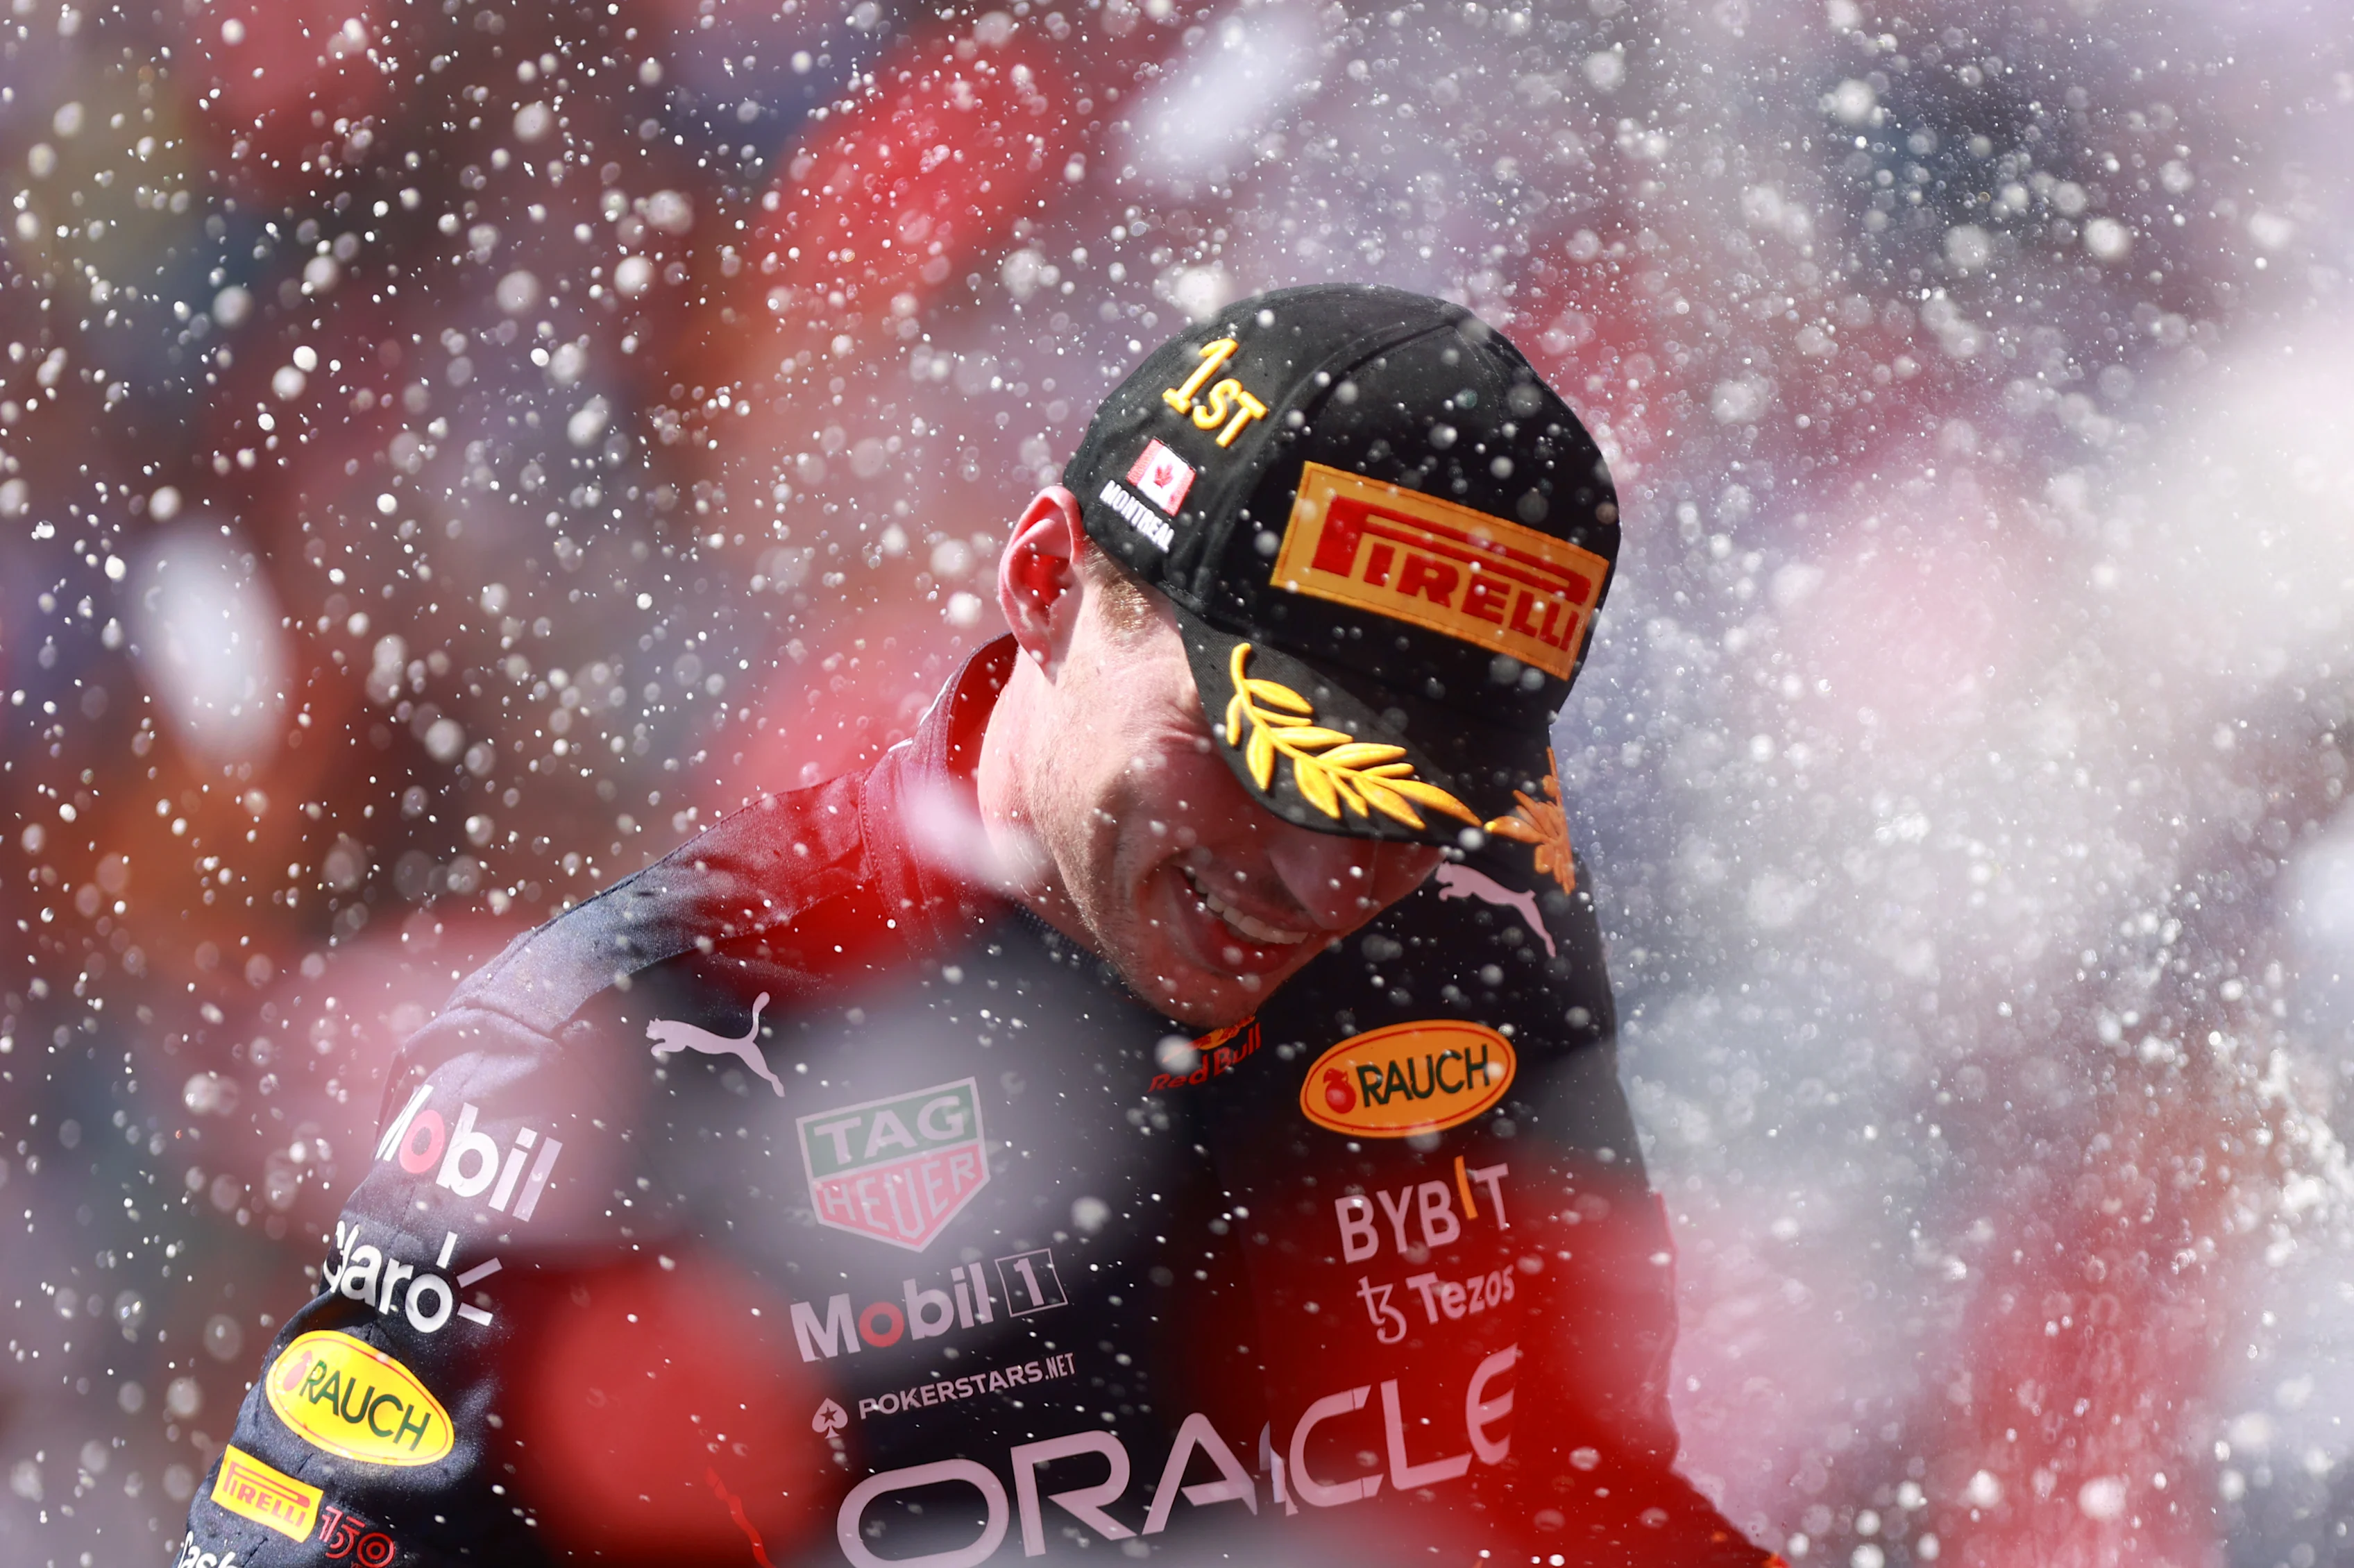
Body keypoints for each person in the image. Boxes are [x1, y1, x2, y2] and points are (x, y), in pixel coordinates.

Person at [178, 285, 1775, 1568]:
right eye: (1263, 758)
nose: (1315, 872)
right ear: (1044, 579)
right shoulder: (644, 1040)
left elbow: (1567, 1486)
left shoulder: (1473, 923)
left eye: (1402, 806)